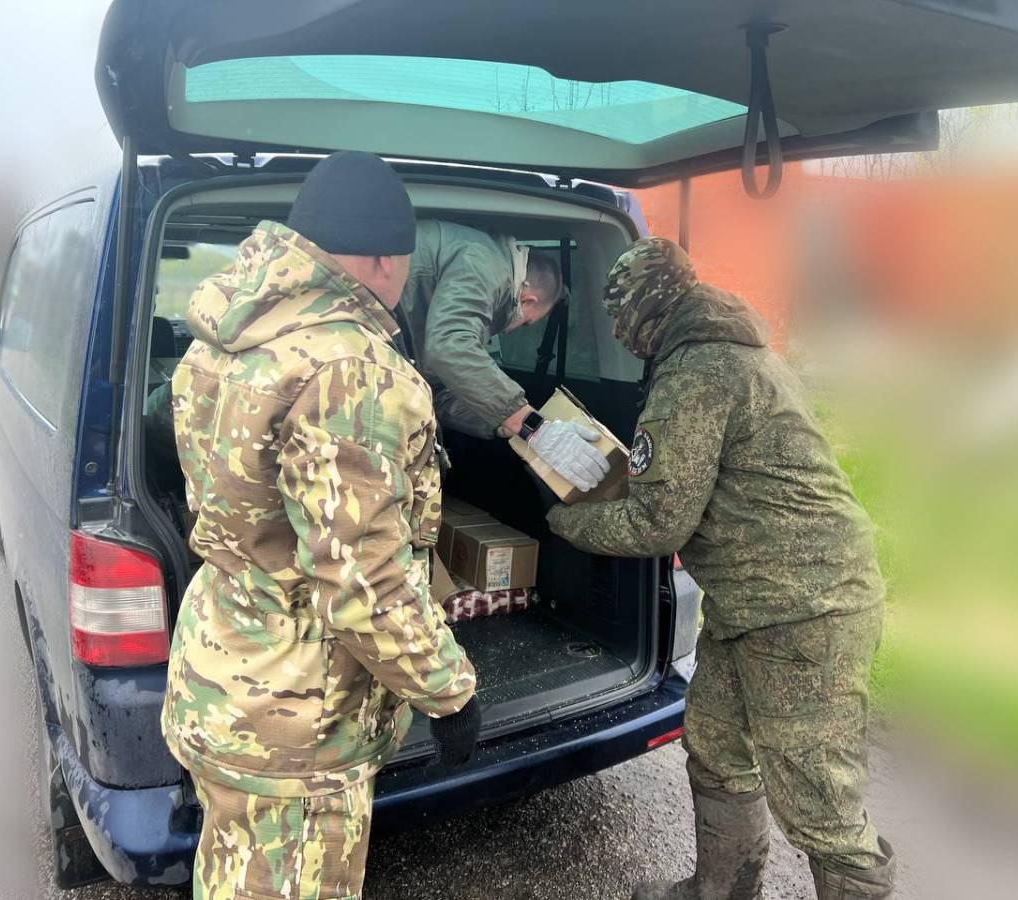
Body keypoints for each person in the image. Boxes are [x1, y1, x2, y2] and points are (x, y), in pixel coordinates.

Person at [161, 151, 480, 900]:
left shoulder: (228, 330)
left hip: (222, 671)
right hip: (299, 717)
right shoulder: (351, 369)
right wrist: (449, 692)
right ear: (384, 259)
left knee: (233, 873)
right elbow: (361, 579)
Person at [540, 238, 895, 900]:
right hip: (753, 601)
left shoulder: (698, 371)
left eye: (618, 315)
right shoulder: (730, 353)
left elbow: (658, 523)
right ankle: (722, 892)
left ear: (645, 307)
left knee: (820, 803)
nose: (616, 332)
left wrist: (562, 522)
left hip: (804, 608)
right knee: (716, 749)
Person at [397, 219, 609, 493]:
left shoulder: (475, 280)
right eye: (527, 322)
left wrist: (501, 422)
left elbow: (437, 391)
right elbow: (448, 346)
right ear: (528, 299)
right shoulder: (486, 265)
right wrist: (528, 422)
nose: (514, 330)